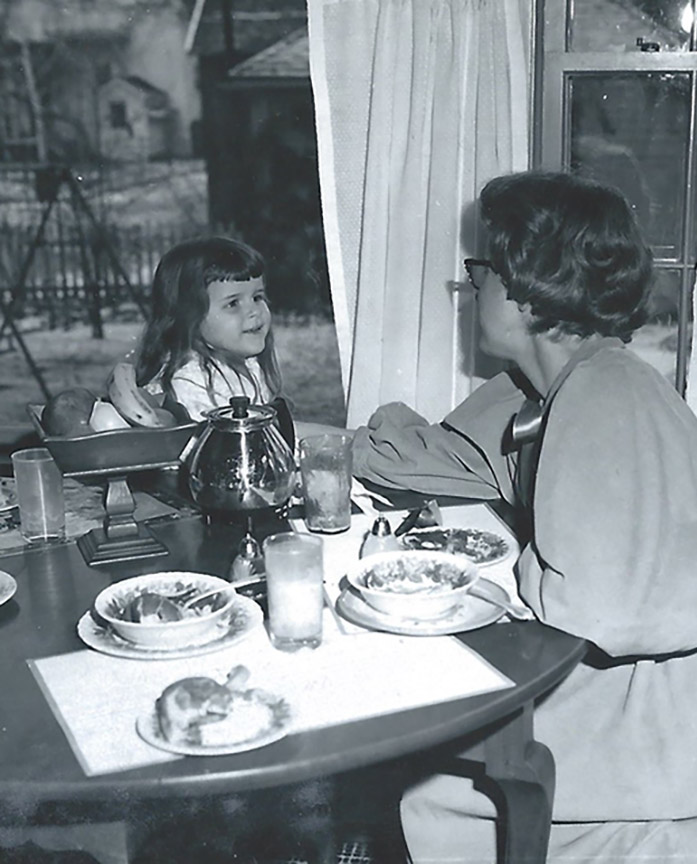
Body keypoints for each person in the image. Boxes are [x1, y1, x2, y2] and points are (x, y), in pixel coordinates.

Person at [351, 170, 697, 862]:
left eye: (481, 270)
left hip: (653, 733)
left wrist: (519, 567)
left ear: (524, 286)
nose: (471, 288)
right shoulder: (585, 381)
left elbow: (611, 614)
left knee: (420, 769)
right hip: (650, 705)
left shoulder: (603, 394)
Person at [134, 236, 283, 422]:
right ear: (190, 316)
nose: (254, 311)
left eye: (257, 297)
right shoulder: (189, 385)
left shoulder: (246, 363)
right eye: (233, 303)